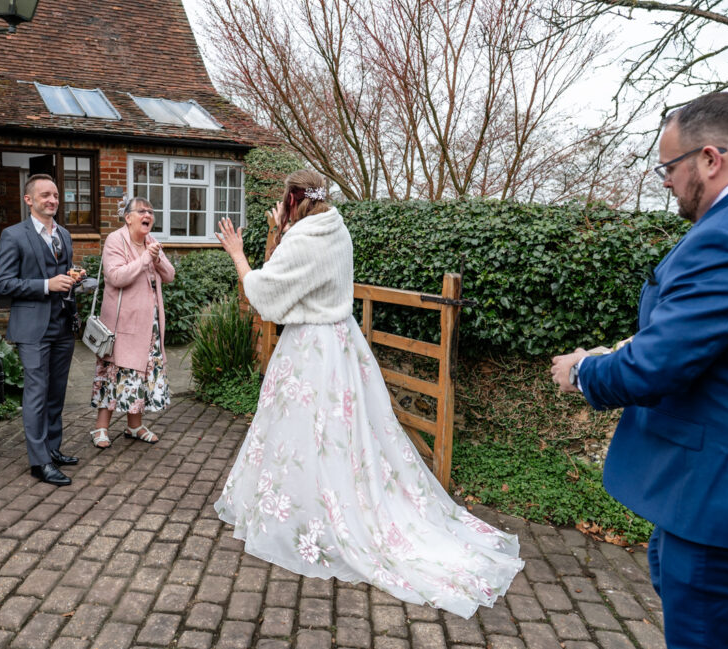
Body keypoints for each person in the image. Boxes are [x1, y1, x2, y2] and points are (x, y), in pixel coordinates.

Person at [213, 170, 523, 617]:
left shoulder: (304, 241)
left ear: (292, 199)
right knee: (338, 438)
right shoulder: (335, 227)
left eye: (284, 200)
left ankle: (315, 518)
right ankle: (316, 504)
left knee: (307, 433)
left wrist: (239, 255)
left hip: (311, 350)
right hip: (341, 343)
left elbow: (266, 293)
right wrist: (284, 230)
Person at [551, 92, 728, 648]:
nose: (665, 181)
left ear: (709, 158)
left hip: (722, 497)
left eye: (668, 167)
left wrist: (586, 370)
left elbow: (656, 368)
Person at [0, 174, 81, 487]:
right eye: (45, 195)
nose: (52, 200)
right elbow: (3, 284)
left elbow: (63, 277)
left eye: (55, 195)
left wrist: (74, 277)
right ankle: (39, 462)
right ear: (28, 199)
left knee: (56, 393)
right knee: (35, 394)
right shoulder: (13, 235)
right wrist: (47, 285)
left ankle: (53, 448)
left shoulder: (65, 235)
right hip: (32, 327)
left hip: (62, 324)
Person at [90, 196, 175, 448]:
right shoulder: (116, 240)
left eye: (151, 211)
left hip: (150, 325)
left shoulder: (151, 242)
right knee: (114, 374)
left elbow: (169, 275)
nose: (147, 214)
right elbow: (115, 276)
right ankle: (100, 428)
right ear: (128, 217)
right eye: (142, 211)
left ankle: (134, 425)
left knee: (140, 374)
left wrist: (157, 257)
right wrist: (145, 260)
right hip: (122, 325)